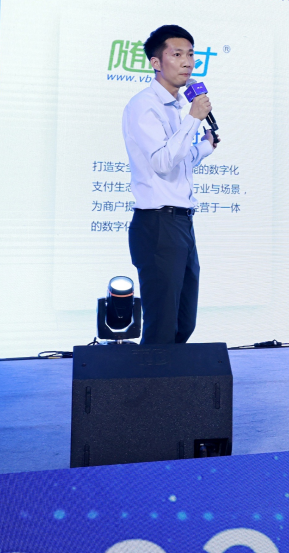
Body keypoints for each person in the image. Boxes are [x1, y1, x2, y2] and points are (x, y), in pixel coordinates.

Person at [122, 25, 217, 344]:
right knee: (162, 326)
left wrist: (205, 146)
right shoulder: (144, 105)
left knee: (183, 323)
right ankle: (148, 378)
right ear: (156, 62)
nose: (187, 62)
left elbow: (178, 161)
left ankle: (167, 376)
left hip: (182, 223)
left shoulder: (178, 108)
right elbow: (161, 162)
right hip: (158, 224)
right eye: (177, 54)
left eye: (190, 54)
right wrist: (193, 118)